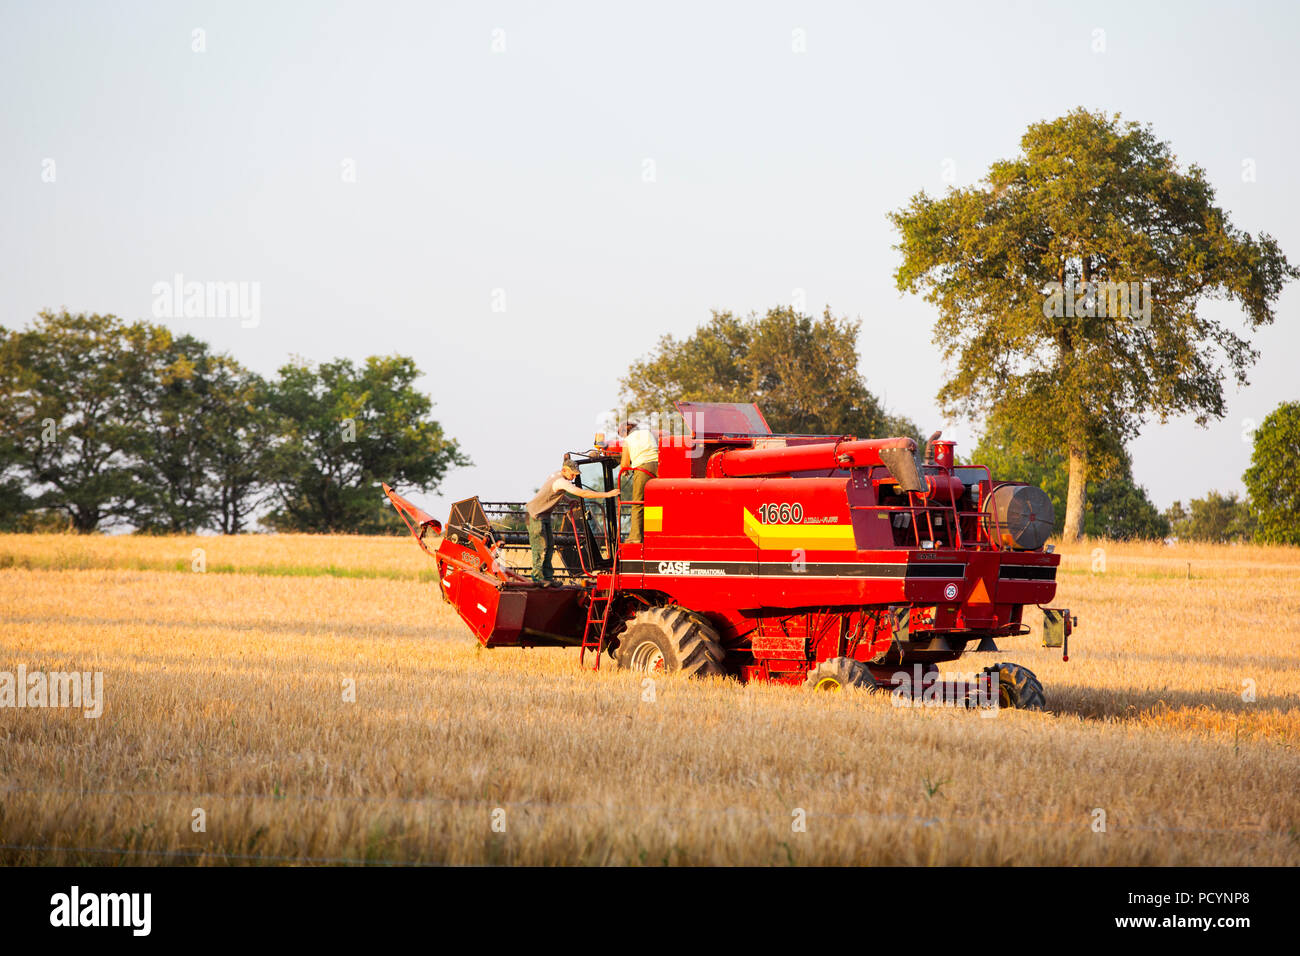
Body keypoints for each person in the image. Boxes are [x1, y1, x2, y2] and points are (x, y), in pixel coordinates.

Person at [526, 456, 619, 584]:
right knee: (541, 547)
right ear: (565, 470)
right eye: (573, 474)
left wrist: (568, 500)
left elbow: (555, 492)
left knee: (549, 546)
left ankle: (547, 578)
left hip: (542, 515)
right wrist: (607, 495)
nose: (574, 477)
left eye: (575, 475)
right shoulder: (562, 482)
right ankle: (538, 579)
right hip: (535, 515)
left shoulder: (556, 475)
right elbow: (583, 493)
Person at [619, 421, 659, 543]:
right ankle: (653, 533)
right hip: (659, 467)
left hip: (643, 469)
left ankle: (636, 537)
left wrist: (624, 471)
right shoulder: (648, 433)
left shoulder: (628, 440)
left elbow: (625, 464)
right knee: (654, 503)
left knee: (638, 503)